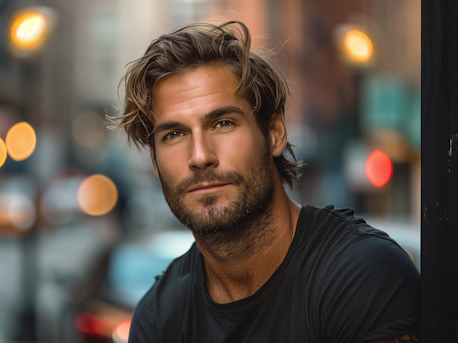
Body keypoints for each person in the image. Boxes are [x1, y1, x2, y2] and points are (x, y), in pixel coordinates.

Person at [108, 21, 420, 343]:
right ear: (154, 161)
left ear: (274, 132)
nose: (199, 156)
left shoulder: (361, 277)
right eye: (174, 134)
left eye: (222, 123)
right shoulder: (159, 316)